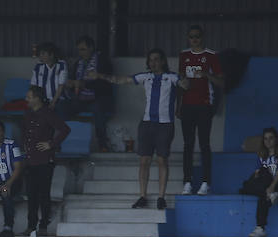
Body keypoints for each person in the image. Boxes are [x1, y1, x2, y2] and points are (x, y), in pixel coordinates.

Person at [93, 49, 186, 210]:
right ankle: (142, 196)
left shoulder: (172, 77)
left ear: (163, 61)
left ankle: (161, 197)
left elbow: (184, 85)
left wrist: (186, 79)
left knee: (162, 160)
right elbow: (121, 80)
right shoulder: (146, 76)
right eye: (151, 60)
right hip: (147, 123)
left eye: (156, 59)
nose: (153, 63)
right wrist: (100, 76)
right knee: (144, 161)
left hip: (165, 124)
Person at [177, 25, 224, 196]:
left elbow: (221, 82)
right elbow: (181, 80)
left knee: (204, 144)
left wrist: (206, 75)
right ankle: (187, 182)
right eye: (191, 36)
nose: (194, 39)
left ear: (202, 37)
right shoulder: (184, 55)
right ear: (188, 38)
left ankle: (206, 182)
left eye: (197, 36)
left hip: (204, 105)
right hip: (187, 105)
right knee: (188, 144)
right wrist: (178, 106)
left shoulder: (211, 56)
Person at [19, 86, 71, 237]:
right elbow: (23, 133)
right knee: (31, 194)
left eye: (29, 97)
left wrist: (51, 144)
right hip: (30, 159)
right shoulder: (27, 114)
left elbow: (65, 129)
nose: (26, 100)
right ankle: (31, 225)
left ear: (37, 98)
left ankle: (43, 225)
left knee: (43, 194)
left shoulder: (48, 113)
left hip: (44, 159)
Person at [58, 35, 112, 151]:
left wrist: (83, 84)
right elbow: (74, 83)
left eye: (83, 49)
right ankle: (64, 142)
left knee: (99, 109)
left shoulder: (102, 62)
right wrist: (71, 84)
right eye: (79, 50)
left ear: (91, 47)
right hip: (81, 100)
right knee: (62, 107)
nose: (80, 53)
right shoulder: (78, 63)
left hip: (98, 98)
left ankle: (102, 144)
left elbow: (105, 84)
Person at [243, 127, 278, 237]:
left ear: (276, 139)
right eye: (265, 139)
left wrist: (272, 187)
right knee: (248, 185)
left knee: (263, 194)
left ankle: (260, 228)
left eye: (271, 138)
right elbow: (258, 173)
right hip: (266, 184)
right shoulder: (262, 155)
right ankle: (274, 195)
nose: (268, 141)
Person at [30, 42, 68, 108]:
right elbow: (33, 86)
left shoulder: (61, 64)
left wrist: (53, 102)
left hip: (59, 99)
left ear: (51, 55)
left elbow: (61, 86)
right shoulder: (38, 66)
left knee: (60, 107)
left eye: (43, 54)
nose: (40, 56)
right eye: (39, 54)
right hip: (42, 100)